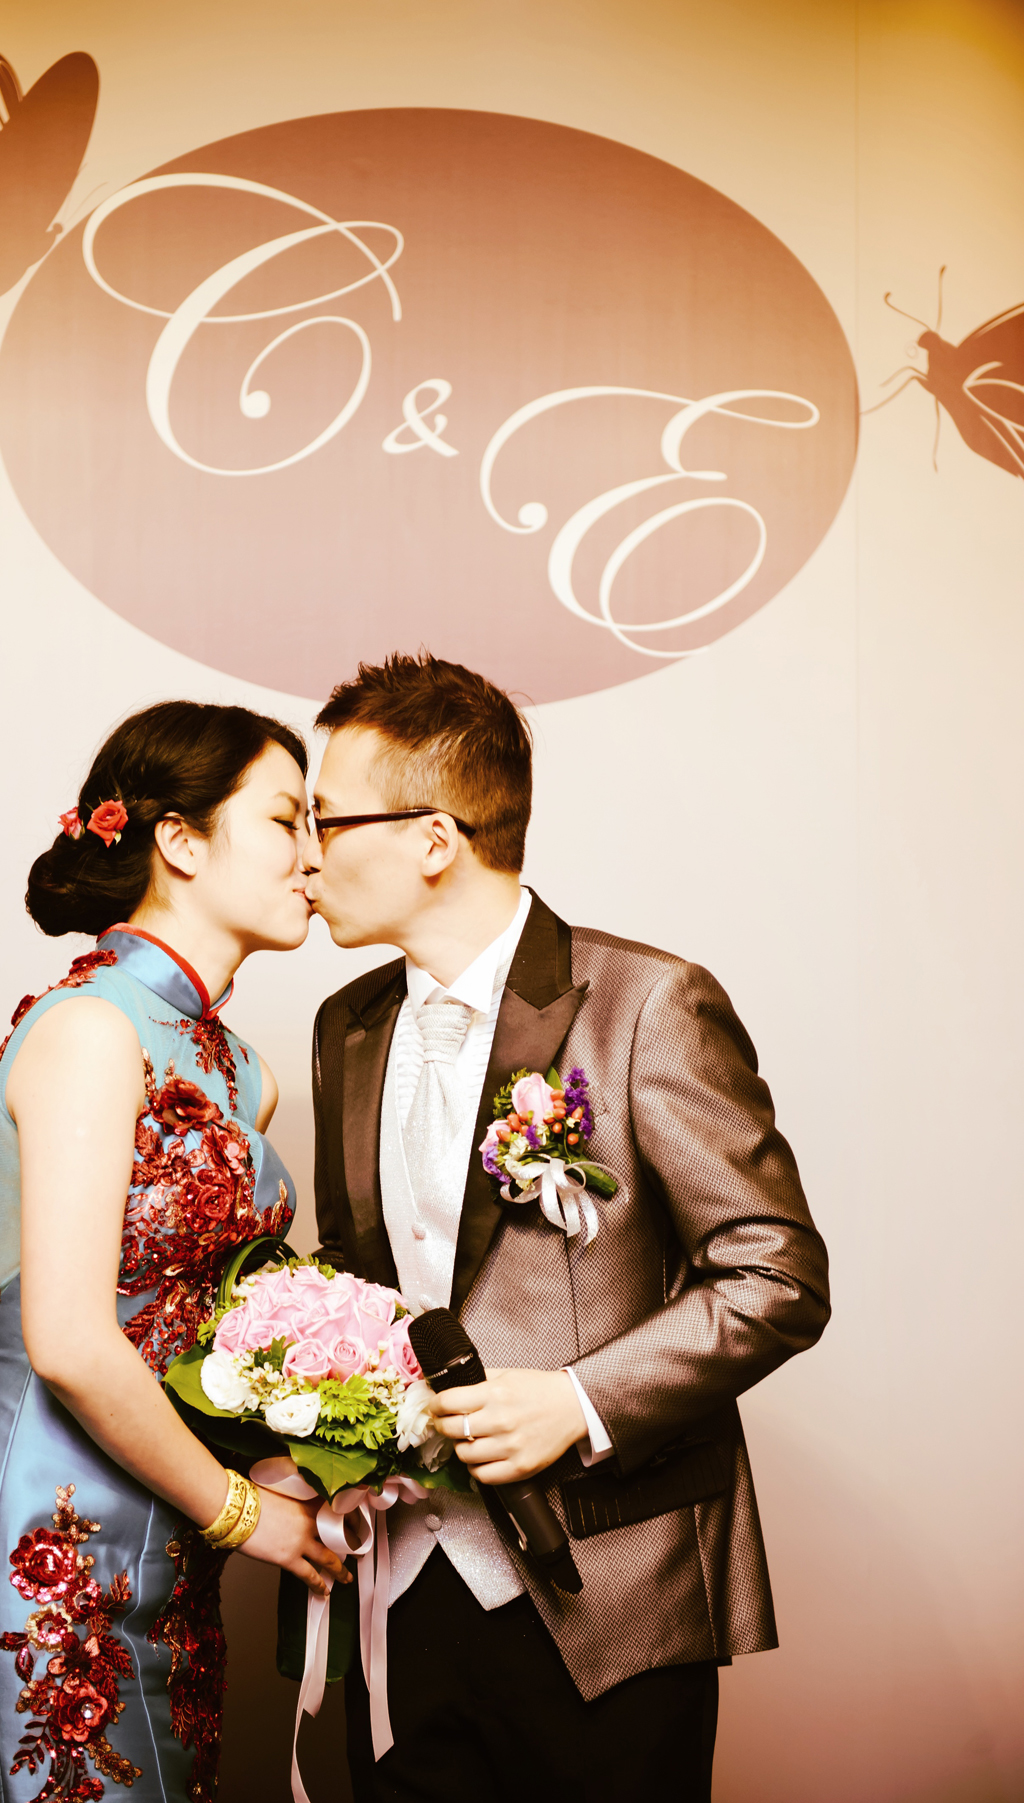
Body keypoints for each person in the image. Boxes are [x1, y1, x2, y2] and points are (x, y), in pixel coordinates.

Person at [303, 654, 831, 1803]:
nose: (307, 853)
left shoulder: (646, 1004)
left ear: (433, 839)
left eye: (327, 819)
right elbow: (368, 1276)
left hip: (607, 1587)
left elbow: (777, 1275)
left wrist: (578, 1401)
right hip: (398, 1584)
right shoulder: (348, 1024)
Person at [0, 700, 350, 1803]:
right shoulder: (91, 1028)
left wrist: (306, 1448)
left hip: (173, 1531)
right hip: (45, 1537)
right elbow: (71, 1342)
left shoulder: (243, 1072)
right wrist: (246, 1513)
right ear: (180, 841)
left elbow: (217, 1318)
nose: (315, 857)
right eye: (286, 820)